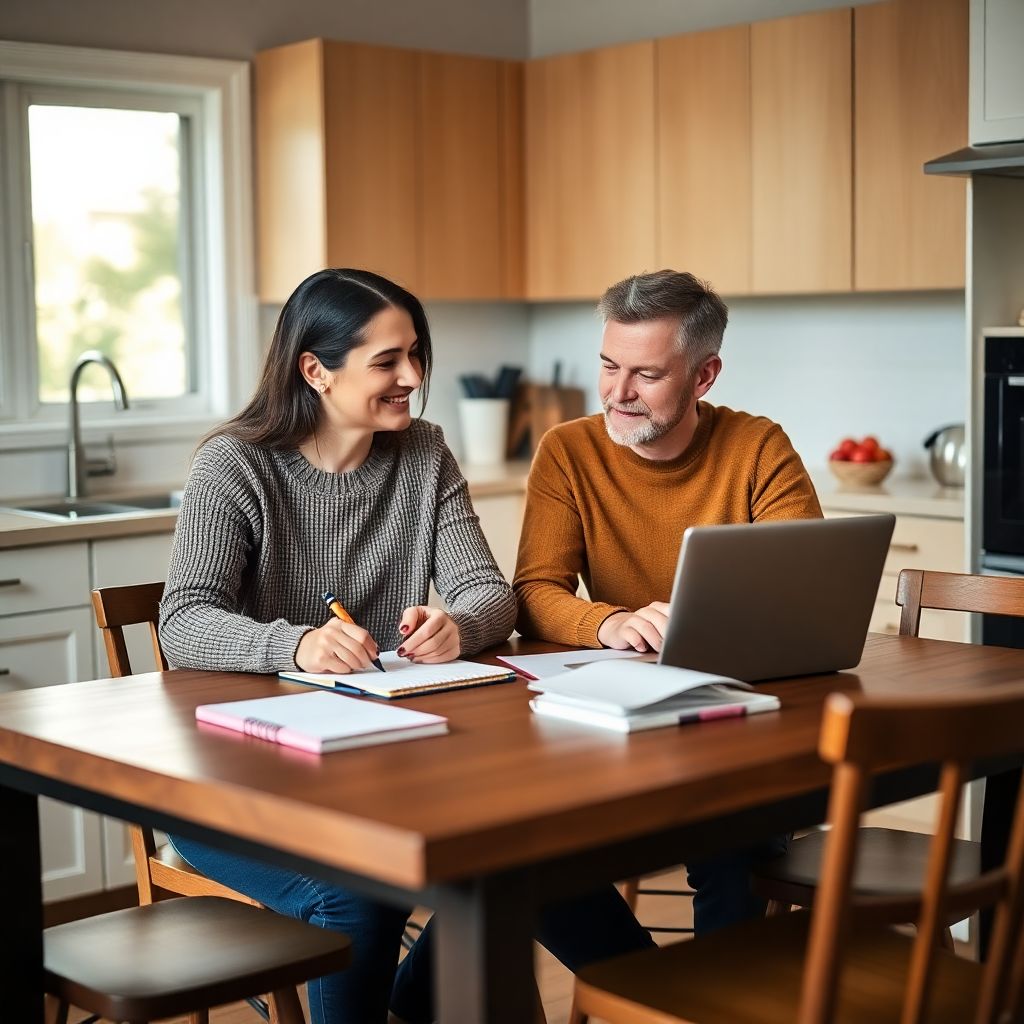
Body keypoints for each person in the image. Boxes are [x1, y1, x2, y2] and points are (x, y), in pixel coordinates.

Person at [159, 268, 651, 1024]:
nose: (413, 378)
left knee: (522, 855)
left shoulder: (423, 453)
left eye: (416, 355)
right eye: (388, 361)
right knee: (360, 889)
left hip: (389, 771)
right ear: (316, 370)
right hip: (242, 787)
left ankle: (667, 1006)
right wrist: (298, 646)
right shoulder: (236, 464)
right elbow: (184, 620)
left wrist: (463, 625)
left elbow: (491, 593)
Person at [513, 268, 822, 934]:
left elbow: (801, 594)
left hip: (736, 720)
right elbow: (535, 593)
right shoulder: (567, 452)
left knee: (735, 852)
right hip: (614, 722)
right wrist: (612, 622)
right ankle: (641, 994)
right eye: (607, 365)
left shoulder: (757, 446)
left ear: (704, 376)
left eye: (646, 376)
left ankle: (712, 1001)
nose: (617, 393)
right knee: (523, 854)